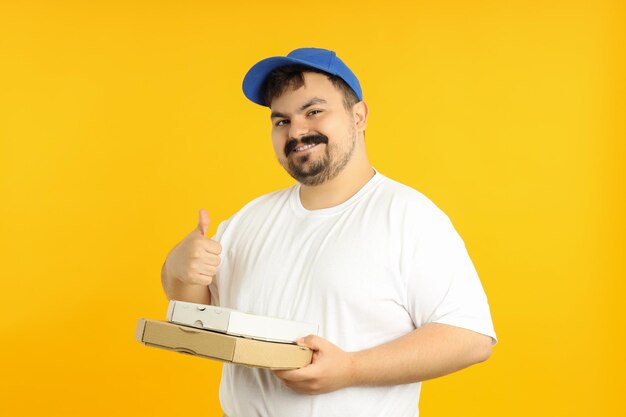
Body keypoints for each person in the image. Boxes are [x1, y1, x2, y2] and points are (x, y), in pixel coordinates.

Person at [161, 47, 497, 417]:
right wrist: (176, 271)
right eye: (281, 121)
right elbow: (200, 312)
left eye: (314, 111)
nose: (296, 131)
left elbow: (470, 338)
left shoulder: (408, 217)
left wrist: (351, 369)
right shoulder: (247, 220)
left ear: (359, 116)